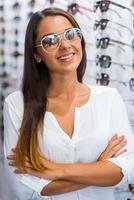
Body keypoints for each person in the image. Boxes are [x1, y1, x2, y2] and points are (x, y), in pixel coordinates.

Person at [3, 7, 134, 200]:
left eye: (71, 34)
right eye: (50, 41)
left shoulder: (109, 98)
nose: (65, 45)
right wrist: (99, 167)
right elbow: (24, 185)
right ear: (36, 54)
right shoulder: (17, 104)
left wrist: (56, 170)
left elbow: (124, 173)